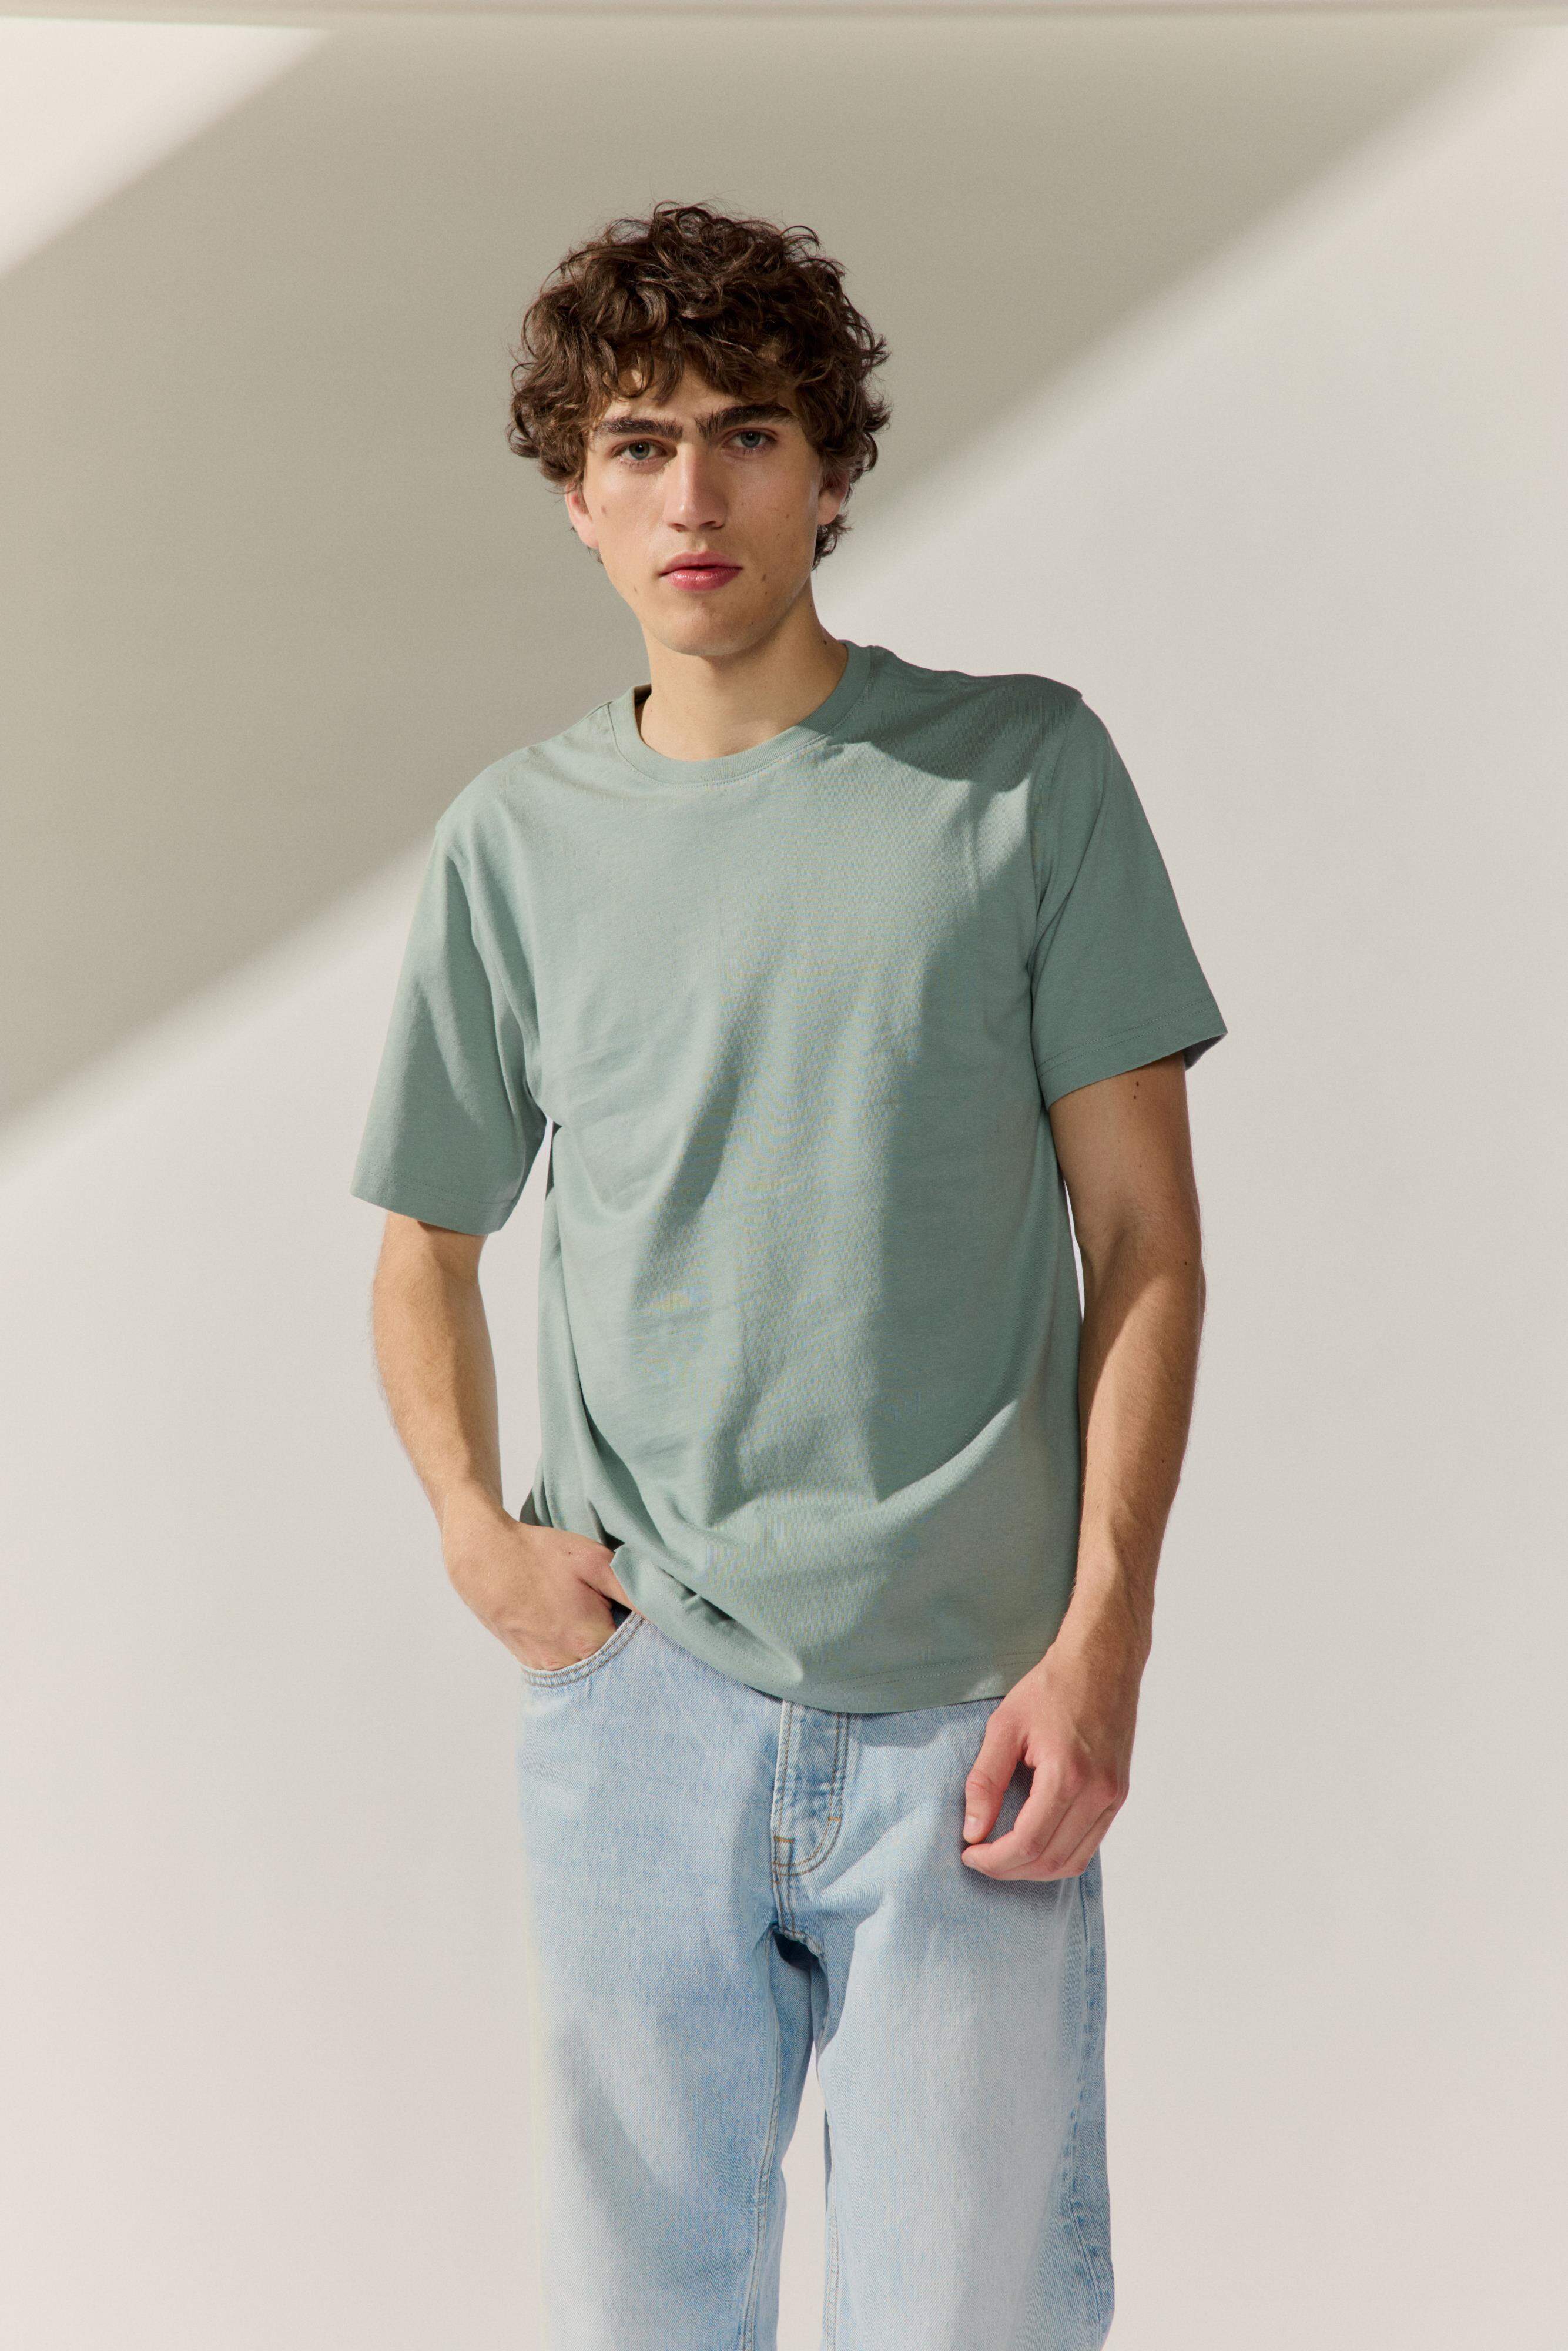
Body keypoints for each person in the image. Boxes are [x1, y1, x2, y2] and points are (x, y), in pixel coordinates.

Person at [350, 200, 1225, 2351]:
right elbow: (426, 1244)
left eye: (748, 435)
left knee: (968, 2317)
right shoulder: (513, 844)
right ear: (575, 497)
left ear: (831, 473)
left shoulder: (1021, 778)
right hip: (638, 1698)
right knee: (637, 2319)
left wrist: (1102, 1636)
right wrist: (474, 1535)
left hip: (972, 1717)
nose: (694, 496)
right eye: (638, 445)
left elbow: (1144, 1243)